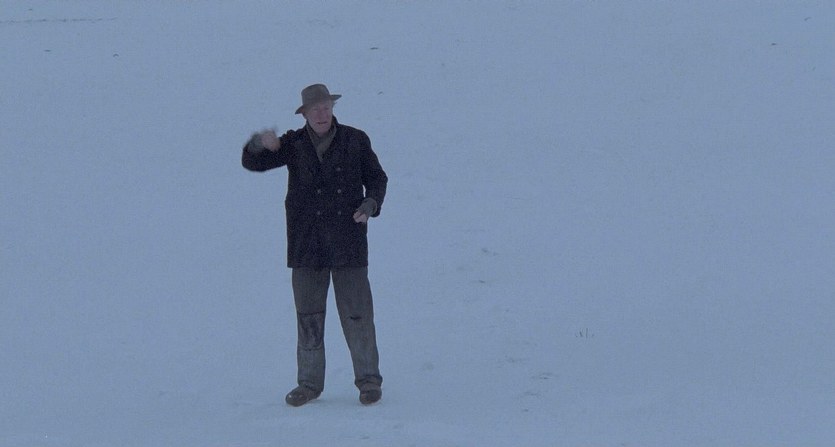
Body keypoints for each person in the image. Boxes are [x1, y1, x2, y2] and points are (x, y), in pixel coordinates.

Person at [241, 84, 388, 406]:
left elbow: (377, 178)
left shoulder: (355, 140)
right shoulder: (293, 144)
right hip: (306, 246)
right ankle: (308, 384)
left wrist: (371, 204)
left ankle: (368, 381)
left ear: (332, 109)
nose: (321, 114)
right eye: (315, 109)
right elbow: (253, 163)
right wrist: (259, 144)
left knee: (358, 316)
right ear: (304, 114)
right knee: (308, 318)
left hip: (348, 242)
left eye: (326, 108)